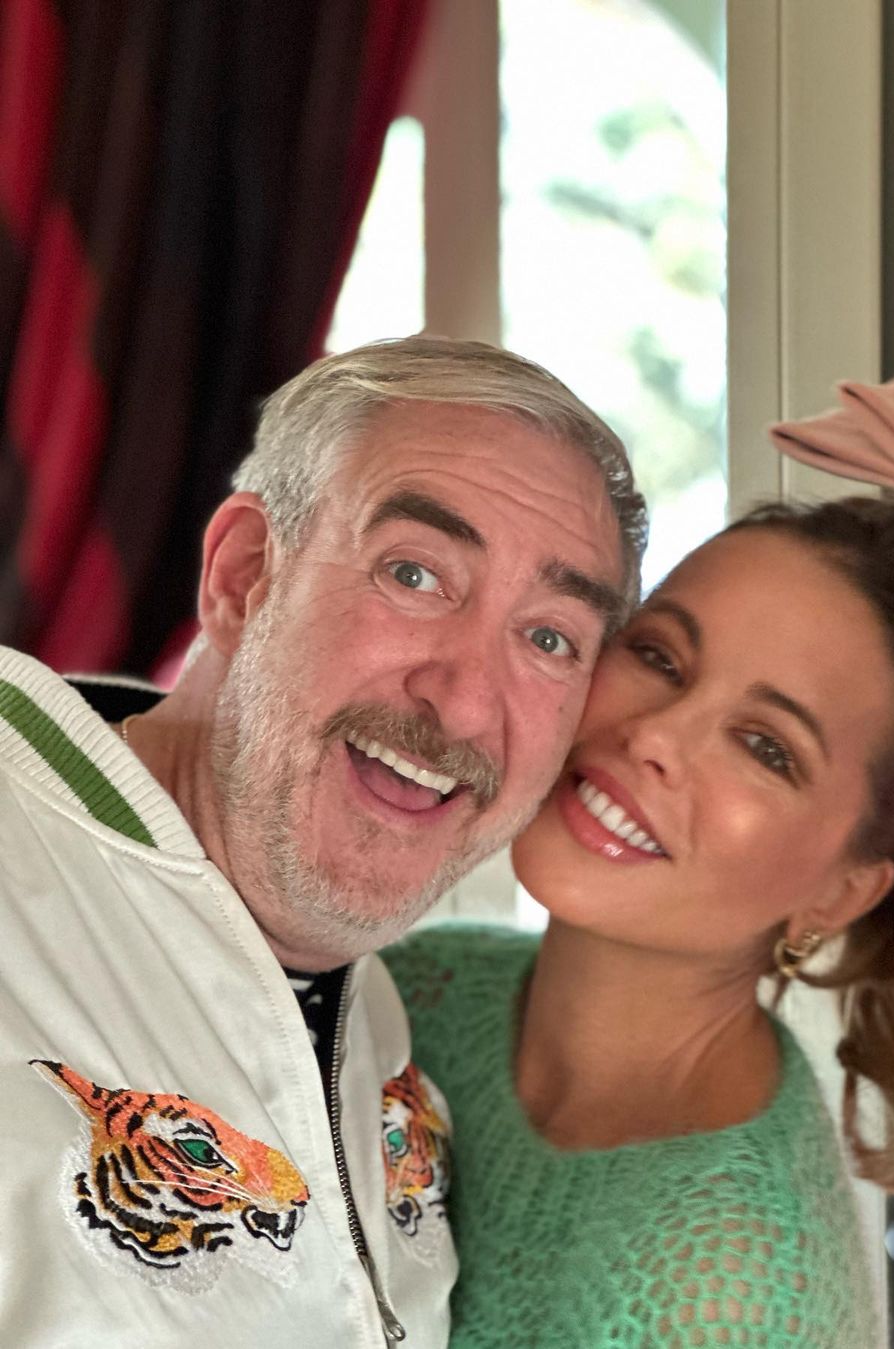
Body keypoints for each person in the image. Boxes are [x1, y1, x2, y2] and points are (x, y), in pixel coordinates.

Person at [385, 376, 894, 1348]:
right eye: (661, 656)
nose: (657, 735)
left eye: (766, 747)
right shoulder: (422, 986)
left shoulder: (726, 1286)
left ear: (841, 889)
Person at [0, 336, 646, 1347]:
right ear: (244, 574)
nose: (465, 703)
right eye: (415, 574)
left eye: (550, 637)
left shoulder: (385, 1017)